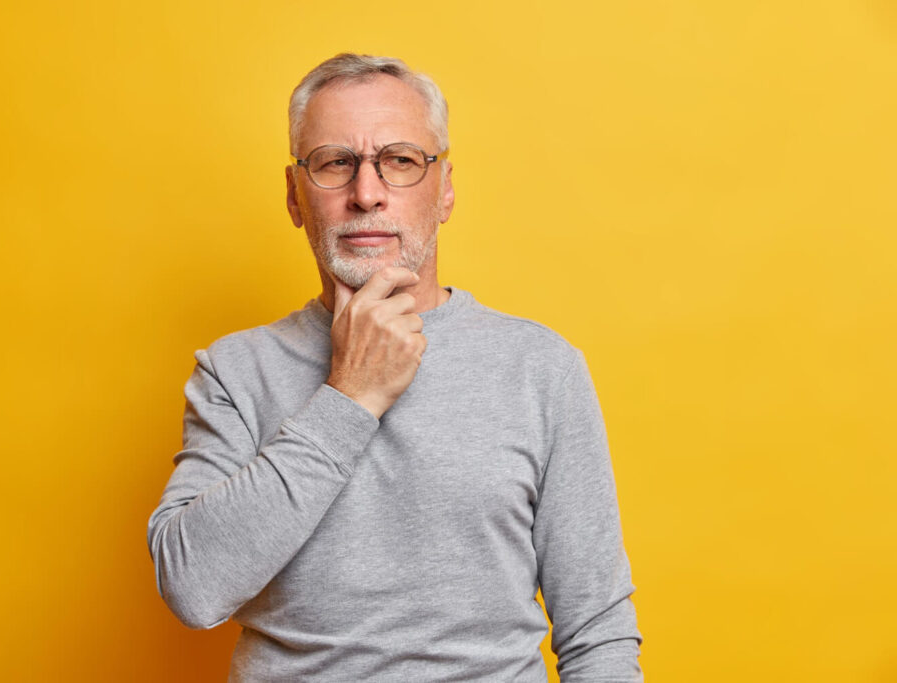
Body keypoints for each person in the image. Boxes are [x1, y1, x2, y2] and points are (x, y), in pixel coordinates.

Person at [147, 53, 643, 681]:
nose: (367, 193)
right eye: (335, 163)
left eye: (401, 161)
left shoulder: (540, 369)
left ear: (446, 191)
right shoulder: (234, 373)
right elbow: (192, 588)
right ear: (295, 196)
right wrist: (349, 395)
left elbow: (597, 632)